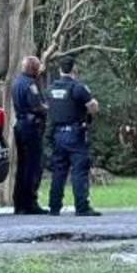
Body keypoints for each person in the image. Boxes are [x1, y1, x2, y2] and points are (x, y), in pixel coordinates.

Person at [46, 54, 101, 216]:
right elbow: (93, 107)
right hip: (75, 134)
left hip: (57, 135)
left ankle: (54, 206)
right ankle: (82, 206)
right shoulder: (78, 88)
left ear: (60, 69)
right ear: (74, 69)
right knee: (79, 170)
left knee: (58, 171)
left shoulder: (51, 88)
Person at [11, 55, 48, 215]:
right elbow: (36, 106)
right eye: (38, 66)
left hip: (20, 125)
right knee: (33, 165)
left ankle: (19, 203)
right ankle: (30, 202)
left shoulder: (16, 82)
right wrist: (47, 107)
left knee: (22, 166)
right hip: (31, 127)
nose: (40, 69)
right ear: (33, 68)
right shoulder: (30, 85)